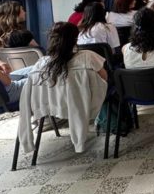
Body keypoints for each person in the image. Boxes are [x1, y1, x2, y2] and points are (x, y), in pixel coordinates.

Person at [18, 22, 108, 154]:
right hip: (83, 103)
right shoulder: (87, 56)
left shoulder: (41, 63)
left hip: (52, 105)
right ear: (75, 39)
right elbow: (104, 77)